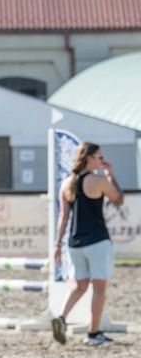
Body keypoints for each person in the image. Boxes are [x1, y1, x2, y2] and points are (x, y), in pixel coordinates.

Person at [52, 142, 123, 345]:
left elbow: (63, 218)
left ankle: (62, 317)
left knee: (80, 286)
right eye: (99, 157)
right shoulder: (98, 180)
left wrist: (58, 244)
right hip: (97, 241)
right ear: (89, 158)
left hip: (75, 243)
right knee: (99, 289)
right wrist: (111, 175)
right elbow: (118, 200)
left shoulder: (66, 183)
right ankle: (93, 333)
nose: (102, 160)